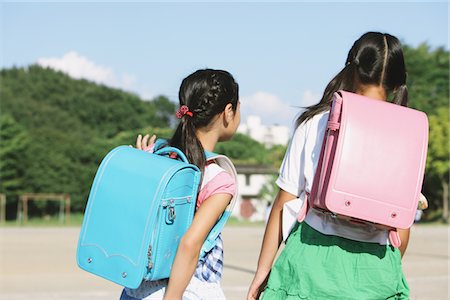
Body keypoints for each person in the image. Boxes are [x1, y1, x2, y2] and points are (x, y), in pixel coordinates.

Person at [247, 32, 412, 300]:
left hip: (311, 265)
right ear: (396, 82)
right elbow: (401, 236)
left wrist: (262, 272)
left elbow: (282, 205)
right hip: (375, 269)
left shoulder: (316, 124)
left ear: (352, 69)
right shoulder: (408, 134)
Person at [120, 69, 240, 300]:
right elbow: (189, 244)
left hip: (137, 289)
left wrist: (141, 164)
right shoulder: (217, 179)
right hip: (187, 291)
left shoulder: (155, 157)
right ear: (228, 112)